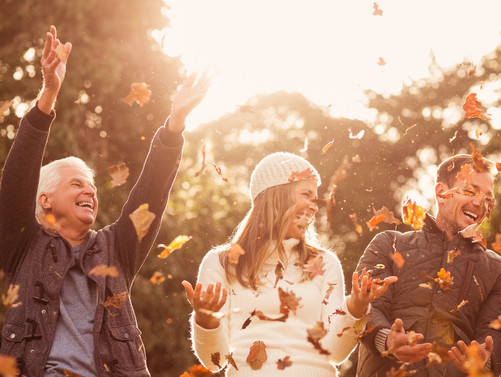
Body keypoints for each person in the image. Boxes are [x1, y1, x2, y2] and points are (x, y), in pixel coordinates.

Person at [0, 26, 210, 376]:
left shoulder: (117, 248)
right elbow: (15, 183)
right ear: (46, 200)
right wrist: (49, 94)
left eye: (93, 187)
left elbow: (150, 196)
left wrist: (175, 124)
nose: (91, 192)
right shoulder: (23, 246)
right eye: (77, 184)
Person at [183, 152, 397, 376]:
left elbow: (335, 352)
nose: (315, 207)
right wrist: (205, 320)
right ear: (276, 195)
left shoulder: (324, 263)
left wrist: (357, 305)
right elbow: (214, 362)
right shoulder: (221, 263)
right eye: (307, 194)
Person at [355, 154, 501, 377]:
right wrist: (386, 338)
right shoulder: (389, 244)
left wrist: (485, 361)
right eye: (470, 191)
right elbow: (364, 308)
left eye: (488, 198)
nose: (480, 203)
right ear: (441, 193)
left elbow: (494, 334)